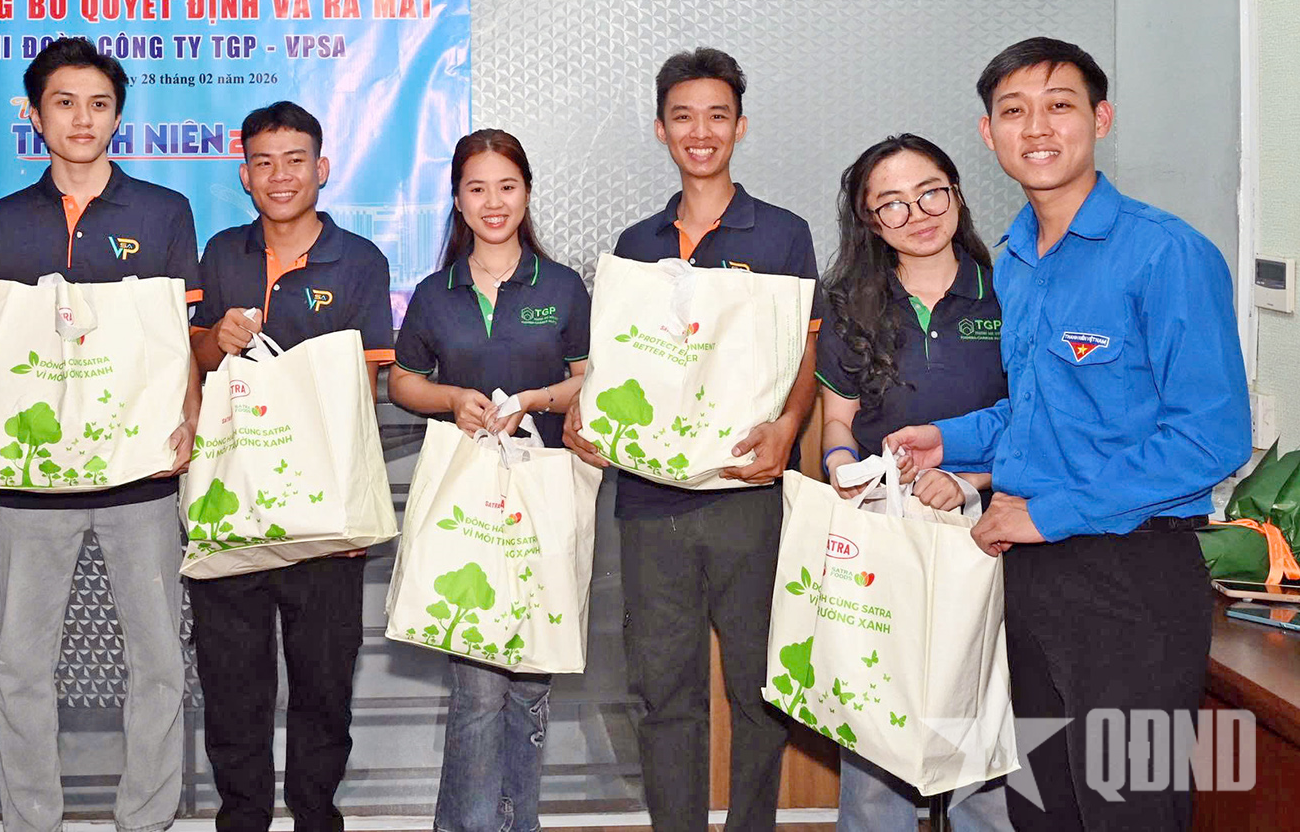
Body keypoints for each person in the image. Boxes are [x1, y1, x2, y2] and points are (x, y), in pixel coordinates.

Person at [887, 37, 1250, 832]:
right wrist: (946, 439)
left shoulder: (1167, 254)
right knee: (1042, 808)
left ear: (1101, 119)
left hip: (1133, 579)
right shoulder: (1016, 261)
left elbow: (1211, 438)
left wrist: (1047, 514)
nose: (1038, 127)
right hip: (1030, 576)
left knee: (1131, 811)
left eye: (1060, 105)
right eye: (1014, 111)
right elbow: (1037, 411)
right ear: (988, 133)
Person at [563, 48, 819, 832]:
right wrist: (584, 414)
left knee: (759, 688)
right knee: (663, 691)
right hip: (649, 503)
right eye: (683, 117)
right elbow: (612, 363)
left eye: (716, 115)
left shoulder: (783, 234)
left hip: (745, 493)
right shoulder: (634, 244)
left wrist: (788, 426)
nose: (700, 132)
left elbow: (807, 353)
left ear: (740, 126)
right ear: (660, 129)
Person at [0, 35, 202, 832]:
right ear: (35, 117)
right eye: (64, 103)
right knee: (21, 664)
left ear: (118, 117)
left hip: (141, 472)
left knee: (159, 661)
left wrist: (189, 416)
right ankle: (31, 819)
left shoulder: (164, 213)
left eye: (99, 104)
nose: (82, 119)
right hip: (31, 480)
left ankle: (147, 818)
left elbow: (182, 336)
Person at [189, 100, 395, 832]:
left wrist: (353, 505)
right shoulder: (221, 253)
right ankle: (241, 818)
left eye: (295, 160)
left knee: (323, 688)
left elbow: (364, 393)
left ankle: (316, 816)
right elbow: (194, 359)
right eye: (264, 162)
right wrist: (214, 338)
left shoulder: (361, 262)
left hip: (323, 515)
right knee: (232, 687)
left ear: (323, 169)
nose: (280, 176)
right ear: (245, 175)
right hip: (233, 507)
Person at [390, 128, 590, 832]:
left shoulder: (561, 286)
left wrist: (536, 400)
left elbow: (589, 380)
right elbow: (403, 381)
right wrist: (451, 399)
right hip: (469, 505)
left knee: (531, 683)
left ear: (527, 192)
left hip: (545, 501)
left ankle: (516, 821)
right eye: (477, 188)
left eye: (507, 186)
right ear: (457, 199)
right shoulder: (435, 293)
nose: (493, 202)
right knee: (477, 687)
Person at [814, 135, 1009, 832]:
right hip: (883, 536)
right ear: (869, 221)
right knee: (877, 732)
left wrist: (970, 481)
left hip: (989, 535)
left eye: (930, 193)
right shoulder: (849, 304)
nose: (917, 214)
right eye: (891, 204)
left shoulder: (1008, 290)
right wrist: (843, 470)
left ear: (956, 192)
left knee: (979, 739)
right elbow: (837, 421)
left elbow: (1039, 421)